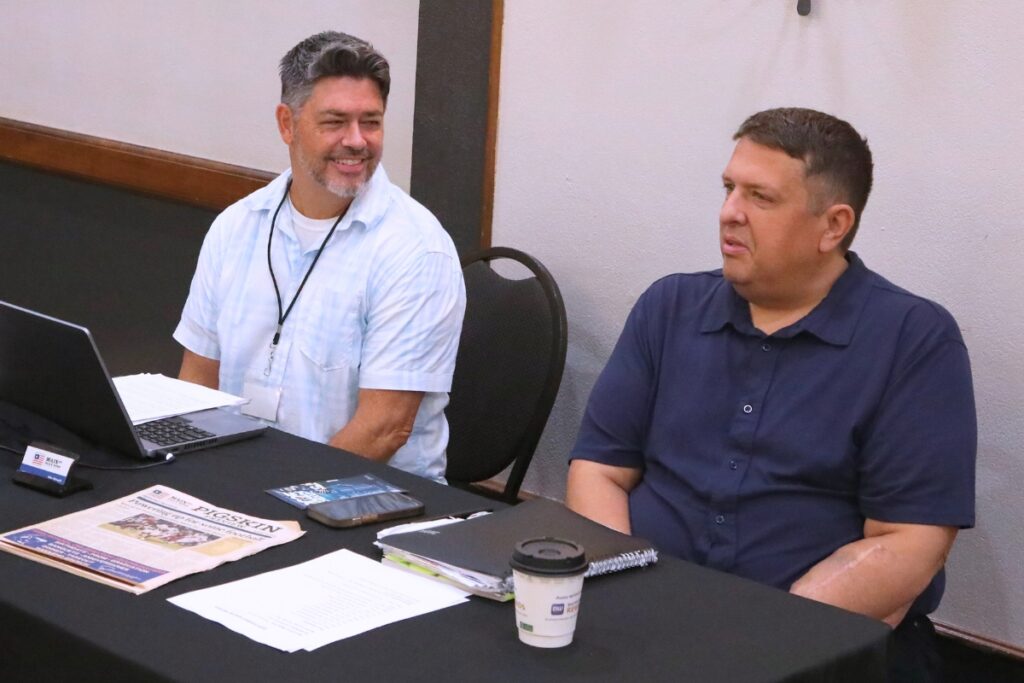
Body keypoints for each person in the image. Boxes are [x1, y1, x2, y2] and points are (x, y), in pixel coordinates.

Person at [566, 107, 975, 681]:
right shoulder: (669, 308)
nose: (730, 212)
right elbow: (600, 468)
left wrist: (754, 639)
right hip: (644, 627)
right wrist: (631, 593)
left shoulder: (912, 339)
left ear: (832, 226)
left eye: (760, 197)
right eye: (729, 188)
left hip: (812, 649)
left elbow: (910, 544)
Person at [174, 31, 465, 482]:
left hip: (368, 497)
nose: (357, 141)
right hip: (241, 482)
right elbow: (196, 379)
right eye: (335, 122)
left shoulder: (415, 250)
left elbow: (384, 430)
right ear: (287, 124)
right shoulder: (238, 226)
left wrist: (270, 497)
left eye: (371, 122)